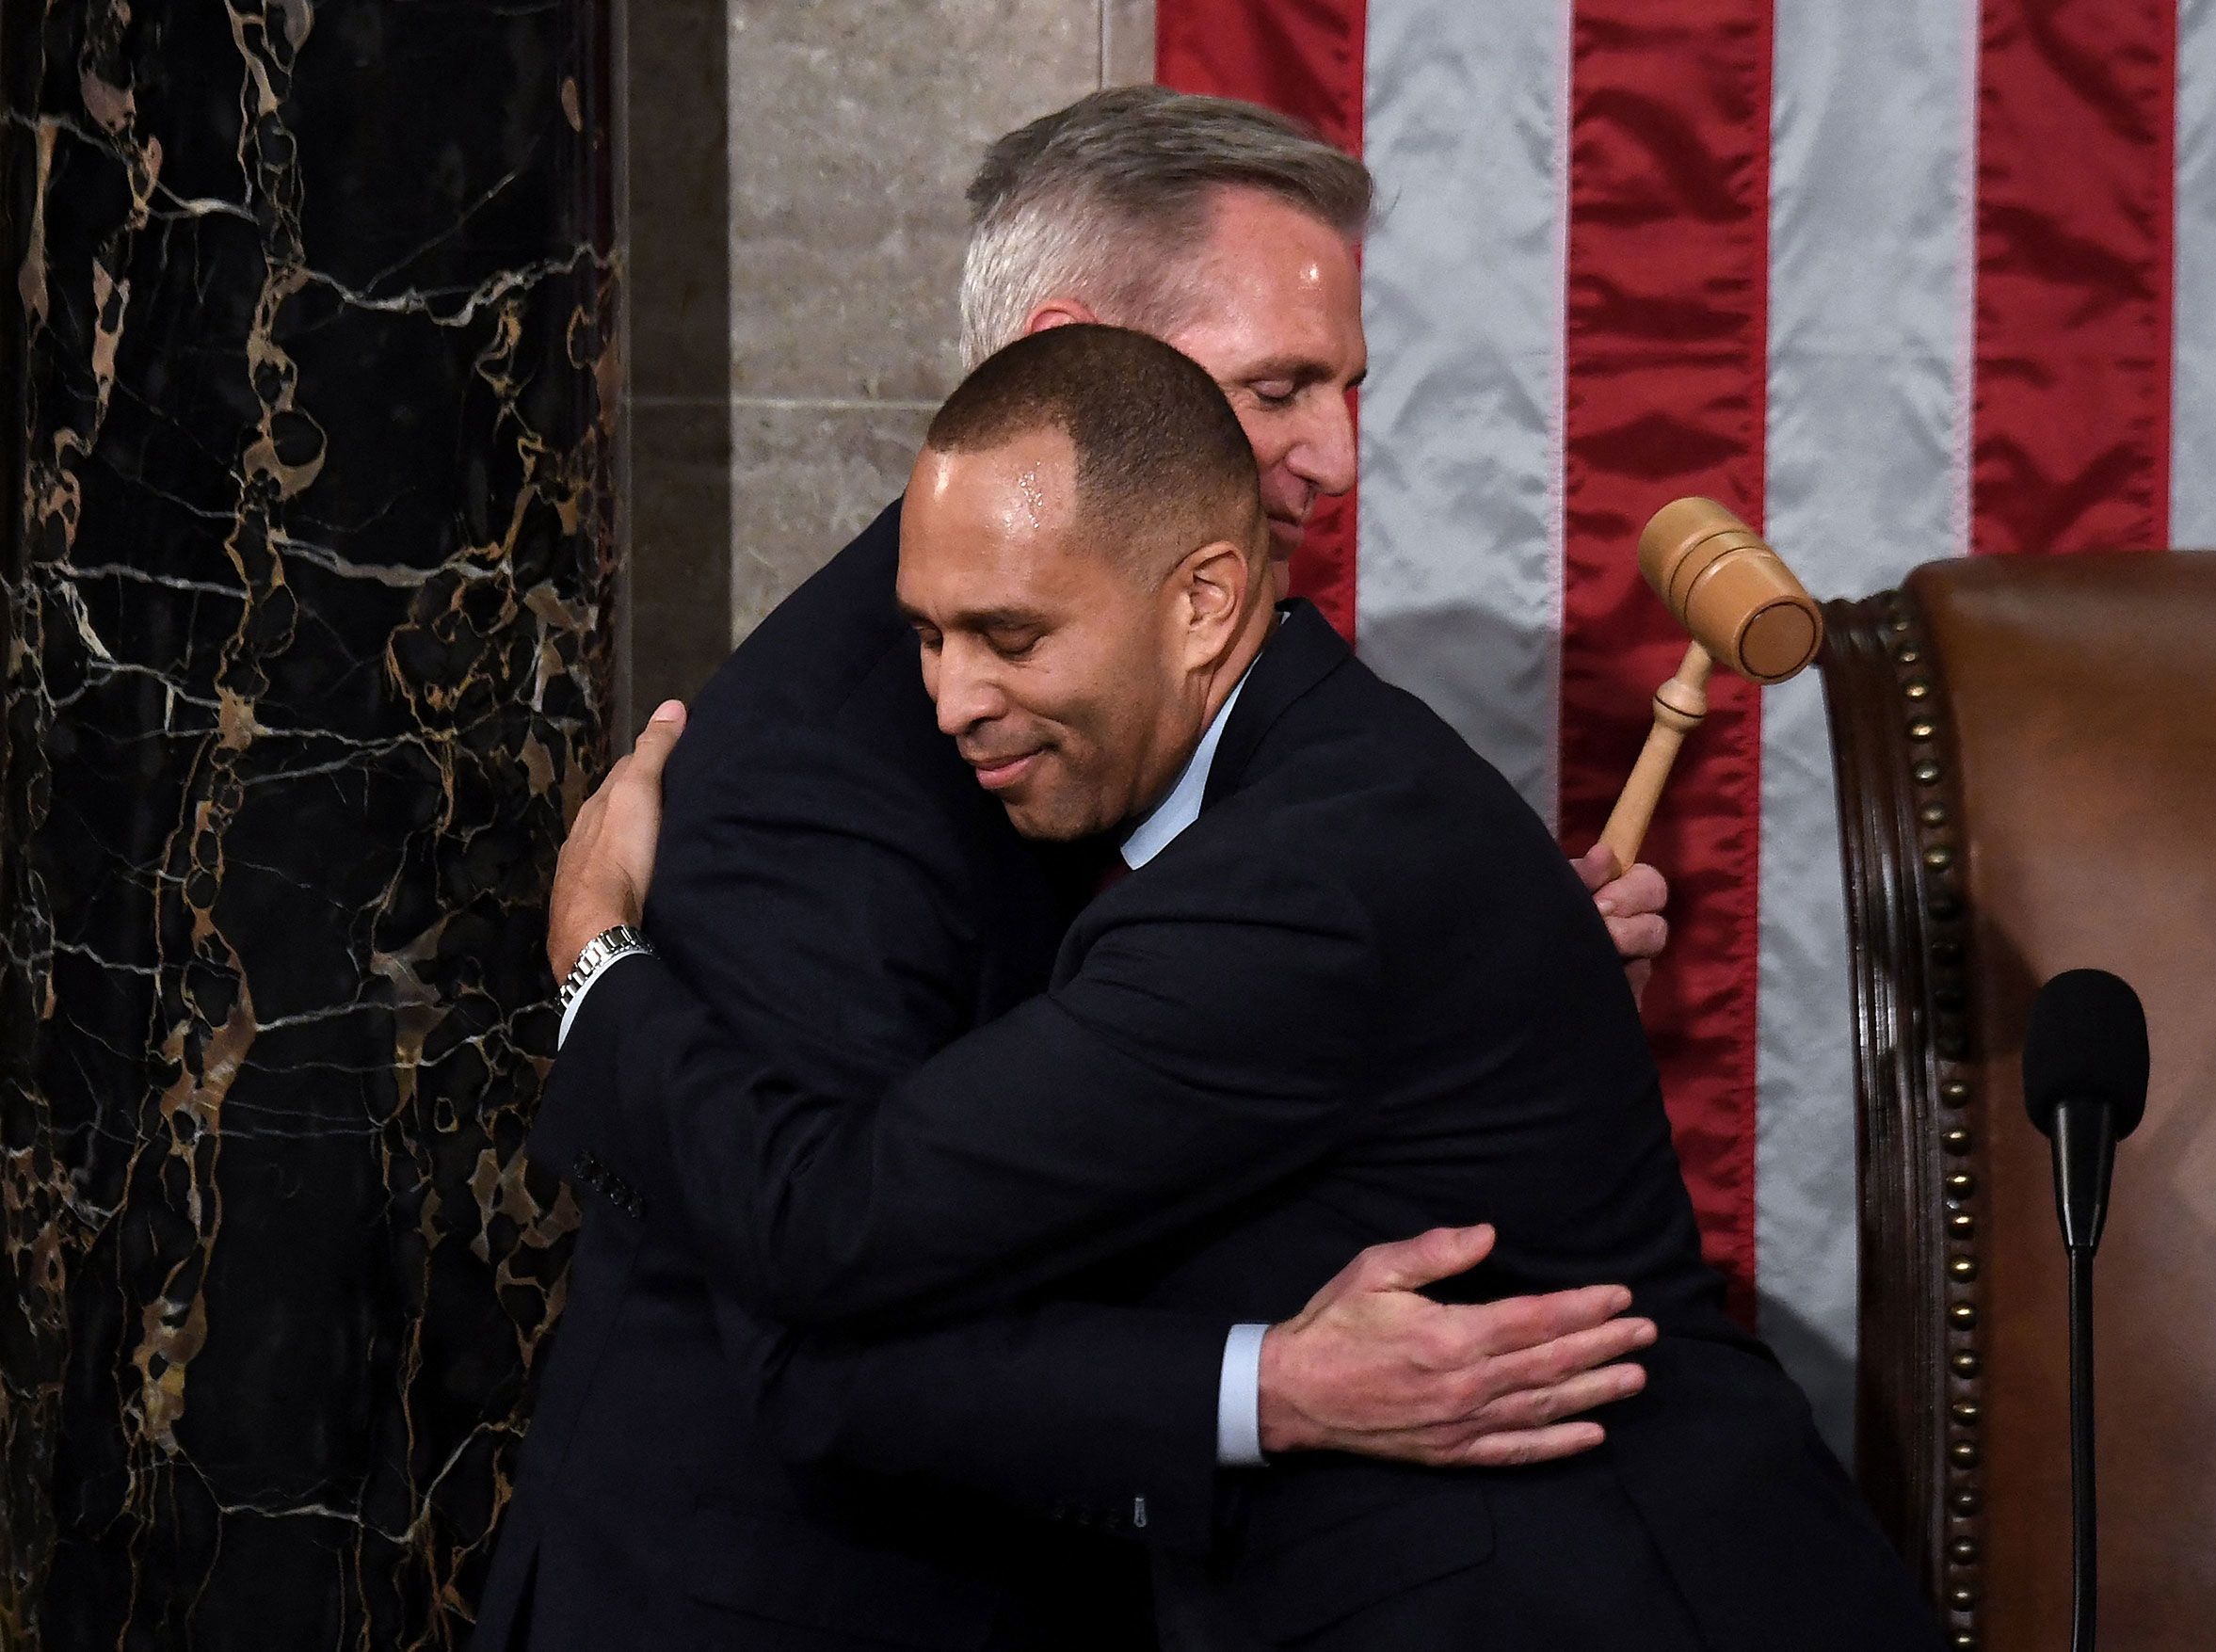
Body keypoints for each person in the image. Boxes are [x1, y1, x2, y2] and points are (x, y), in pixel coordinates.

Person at [473, 90, 1672, 1652]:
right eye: (1279, 386)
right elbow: (809, 1306)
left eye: (1347, 387)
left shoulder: (1193, 677)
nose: (1341, 452)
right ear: (1068, 353)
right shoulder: (817, 769)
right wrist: (592, 972)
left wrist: (1459, 988)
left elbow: (1156, 1082)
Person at [540, 324, 1942, 1650]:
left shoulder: (1295, 891)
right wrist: (1264, 1386)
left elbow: (824, 1213)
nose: (953, 696)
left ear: (1203, 600)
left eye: (1013, 638)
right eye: (927, 634)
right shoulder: (1305, 789)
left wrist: (599, 963)